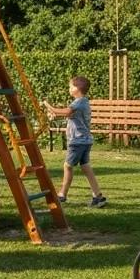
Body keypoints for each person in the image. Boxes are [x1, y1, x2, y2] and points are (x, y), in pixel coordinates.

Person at [44, 76, 106, 207]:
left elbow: (66, 111)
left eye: (71, 86)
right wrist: (56, 114)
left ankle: (62, 194)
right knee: (85, 167)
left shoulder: (78, 102)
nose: (69, 89)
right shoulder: (82, 102)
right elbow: (70, 115)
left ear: (77, 89)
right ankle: (98, 196)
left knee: (68, 166)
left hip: (77, 141)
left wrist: (50, 107)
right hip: (85, 141)